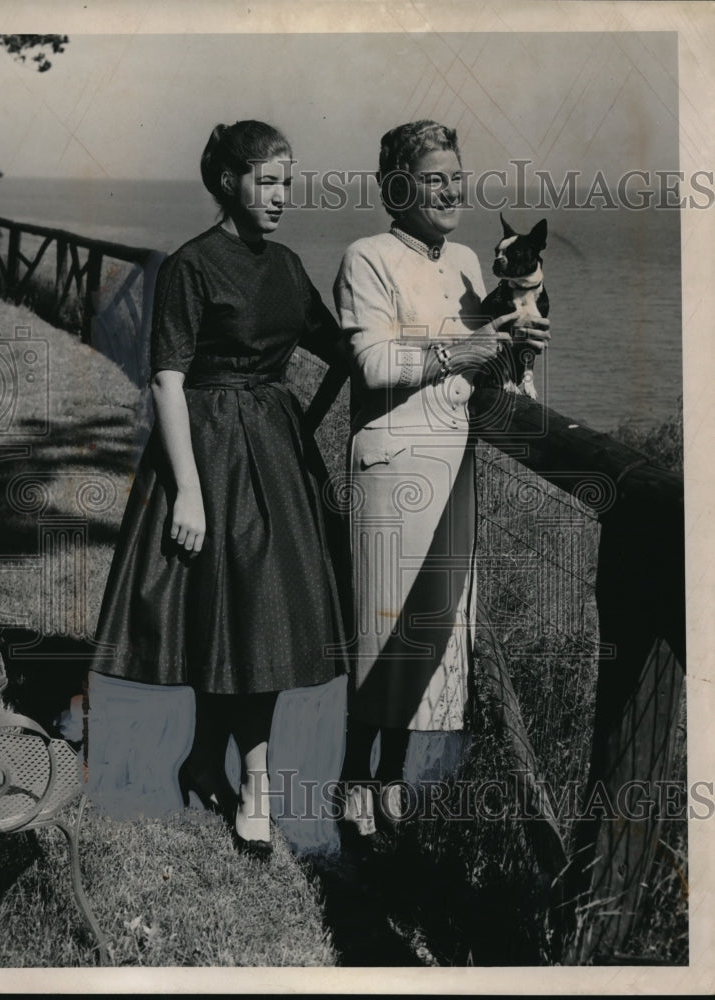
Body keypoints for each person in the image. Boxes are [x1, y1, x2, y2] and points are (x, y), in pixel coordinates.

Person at [92, 120, 349, 858]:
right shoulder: (191, 267)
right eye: (267, 182)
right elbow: (168, 381)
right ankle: (252, 785)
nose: (280, 197)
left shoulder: (289, 266)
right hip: (207, 454)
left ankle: (222, 765)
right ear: (228, 183)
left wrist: (464, 333)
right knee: (228, 617)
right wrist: (190, 492)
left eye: (287, 183)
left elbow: (338, 348)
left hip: (274, 455)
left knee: (254, 619)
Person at [333, 120, 550, 839]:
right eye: (433, 178)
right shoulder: (366, 258)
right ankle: (352, 778)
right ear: (398, 187)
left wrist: (518, 343)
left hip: (453, 466)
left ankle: (391, 776)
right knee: (380, 634)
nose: (452, 189)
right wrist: (470, 346)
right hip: (392, 470)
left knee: (427, 637)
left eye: (457, 176)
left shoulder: (462, 259)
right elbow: (375, 365)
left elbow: (477, 353)